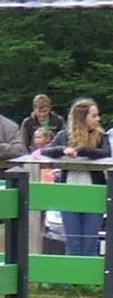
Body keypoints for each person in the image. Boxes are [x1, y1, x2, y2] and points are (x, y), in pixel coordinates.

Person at [49, 98, 107, 256]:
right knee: (73, 241)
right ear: (82, 118)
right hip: (69, 194)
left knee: (90, 241)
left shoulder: (101, 138)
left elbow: (106, 154)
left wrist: (83, 150)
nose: (98, 119)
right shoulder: (63, 136)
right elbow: (46, 151)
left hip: (94, 195)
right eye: (93, 116)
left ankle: (89, 280)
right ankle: (71, 279)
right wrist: (63, 150)